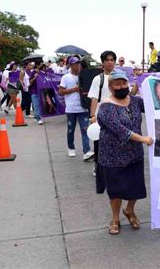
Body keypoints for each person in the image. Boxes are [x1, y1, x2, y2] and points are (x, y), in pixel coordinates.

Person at [96, 69, 153, 235]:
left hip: (134, 154)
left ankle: (129, 210)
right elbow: (121, 130)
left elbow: (155, 105)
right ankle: (115, 219)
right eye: (117, 84)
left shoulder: (135, 101)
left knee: (135, 186)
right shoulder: (106, 106)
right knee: (116, 190)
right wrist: (143, 139)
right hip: (112, 155)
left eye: (123, 83)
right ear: (111, 86)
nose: (121, 86)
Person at [88, 50, 118, 176]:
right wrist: (93, 115)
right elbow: (94, 98)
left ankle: (114, 166)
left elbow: (128, 95)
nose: (110, 62)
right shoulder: (98, 79)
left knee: (116, 142)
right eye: (107, 60)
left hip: (117, 115)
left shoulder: (119, 77)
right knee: (99, 143)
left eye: (112, 60)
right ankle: (98, 167)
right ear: (103, 63)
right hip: (101, 116)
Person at [59, 57, 94, 160]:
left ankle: (86, 151)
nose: (77, 66)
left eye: (78, 64)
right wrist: (74, 89)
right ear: (70, 65)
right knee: (71, 130)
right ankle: (71, 148)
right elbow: (61, 91)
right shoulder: (66, 77)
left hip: (83, 108)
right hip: (71, 109)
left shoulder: (83, 76)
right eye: (74, 64)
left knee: (85, 130)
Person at [28, 60, 44, 125]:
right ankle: (38, 118)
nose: (42, 65)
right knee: (36, 105)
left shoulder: (42, 72)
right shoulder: (33, 72)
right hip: (34, 91)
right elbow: (30, 81)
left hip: (41, 91)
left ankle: (36, 117)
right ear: (37, 65)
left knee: (40, 106)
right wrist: (35, 77)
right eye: (40, 64)